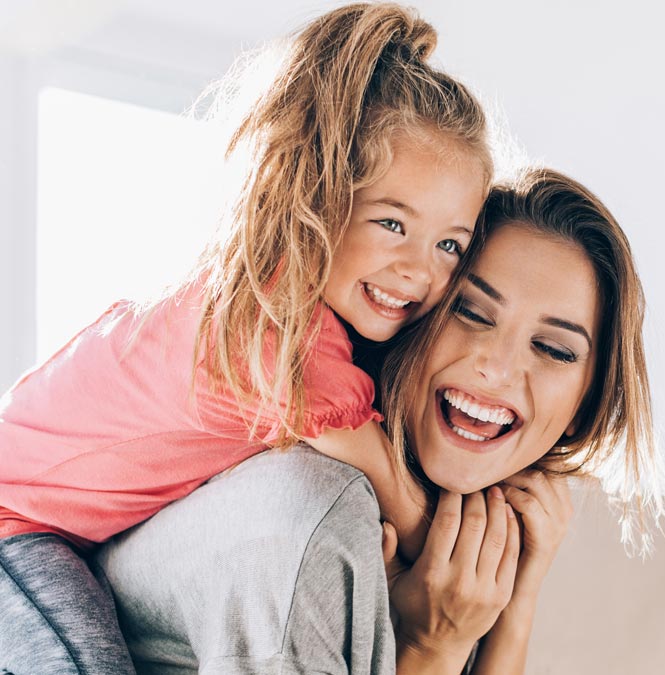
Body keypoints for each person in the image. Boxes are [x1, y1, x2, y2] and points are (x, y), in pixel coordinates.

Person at [0, 4, 491, 673]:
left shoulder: (255, 293)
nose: (421, 269)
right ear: (317, 197)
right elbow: (404, 507)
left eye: (450, 244)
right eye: (392, 224)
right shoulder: (284, 336)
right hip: (12, 529)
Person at [95, 167, 665, 674]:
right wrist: (432, 647)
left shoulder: (465, 533)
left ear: (585, 404)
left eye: (554, 349)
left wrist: (515, 607)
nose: (496, 368)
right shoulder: (318, 517)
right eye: (470, 312)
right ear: (410, 309)